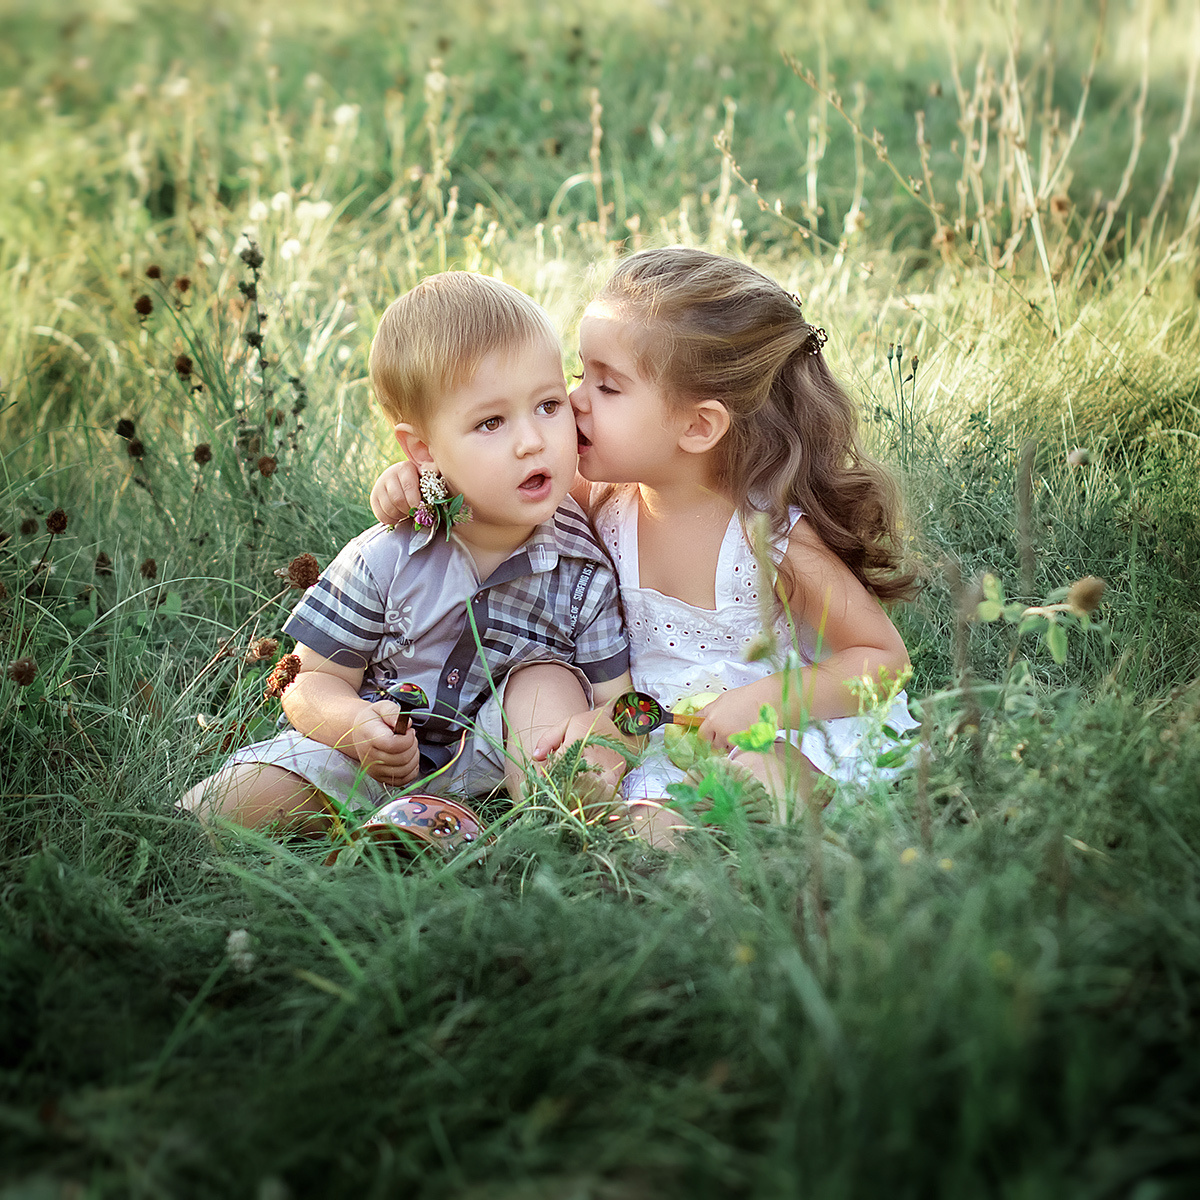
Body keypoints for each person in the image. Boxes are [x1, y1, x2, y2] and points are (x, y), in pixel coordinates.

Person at [371, 248, 917, 832]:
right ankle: (634, 835)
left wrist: (765, 702)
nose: (573, 400)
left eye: (607, 387)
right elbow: (493, 503)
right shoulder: (598, 499)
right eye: (581, 375)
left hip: (768, 723)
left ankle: (758, 813)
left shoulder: (769, 538)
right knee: (631, 805)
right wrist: (426, 481)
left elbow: (881, 661)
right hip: (643, 725)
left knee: (764, 769)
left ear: (697, 426)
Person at [181, 272, 631, 833]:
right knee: (220, 808)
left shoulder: (582, 567)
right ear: (422, 449)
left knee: (543, 680)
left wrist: (602, 744)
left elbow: (616, 702)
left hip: (507, 757)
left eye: (546, 405)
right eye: (491, 422)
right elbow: (306, 679)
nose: (532, 441)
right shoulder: (390, 554)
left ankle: (553, 816)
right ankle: (181, 830)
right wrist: (354, 726)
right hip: (377, 757)